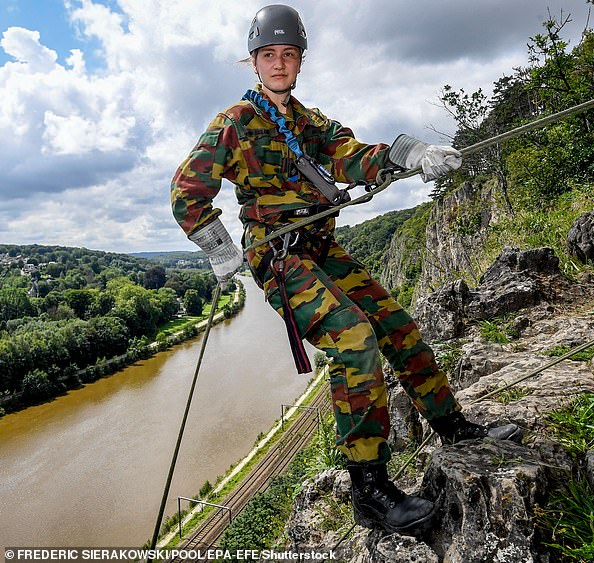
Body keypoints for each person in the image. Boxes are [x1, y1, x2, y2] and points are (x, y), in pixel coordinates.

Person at [170, 4, 519, 537]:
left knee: (397, 327)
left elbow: (353, 156)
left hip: (320, 248)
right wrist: (219, 246)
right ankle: (370, 492)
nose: (280, 63)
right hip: (279, 255)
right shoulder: (234, 125)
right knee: (354, 339)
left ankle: (456, 430)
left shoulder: (311, 124)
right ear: (254, 62)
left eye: (289, 54)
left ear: (300, 61)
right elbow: (187, 192)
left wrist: (412, 154)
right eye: (269, 55)